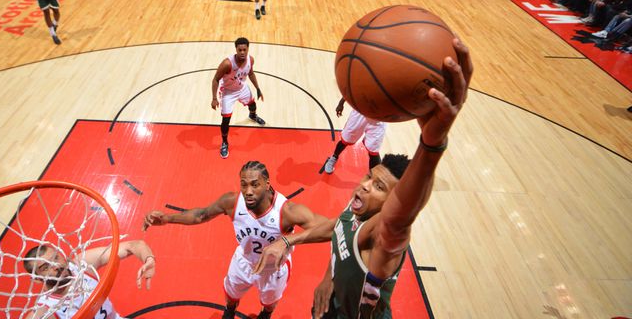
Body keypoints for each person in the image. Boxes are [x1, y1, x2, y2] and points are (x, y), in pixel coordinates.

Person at [254, 38, 473, 319]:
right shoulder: (356, 209)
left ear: (392, 201)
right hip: (334, 306)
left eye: (379, 187)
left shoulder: (383, 234)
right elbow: (339, 229)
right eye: (369, 177)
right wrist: (310, 262)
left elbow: (401, 214)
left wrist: (432, 143)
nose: (365, 185)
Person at [142, 160, 327, 319]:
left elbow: (329, 229)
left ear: (268, 184)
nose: (248, 191)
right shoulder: (232, 202)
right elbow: (201, 215)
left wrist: (288, 241)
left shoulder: (287, 211)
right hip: (244, 261)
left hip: (273, 269)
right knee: (231, 294)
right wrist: (167, 218)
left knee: (269, 303)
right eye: (244, 184)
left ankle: (265, 314)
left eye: (255, 184)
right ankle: (230, 311)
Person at [22, 240, 156, 318]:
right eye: (46, 267)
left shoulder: (81, 265)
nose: (56, 266)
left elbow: (133, 245)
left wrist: (148, 259)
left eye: (56, 258)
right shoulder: (47, 308)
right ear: (37, 279)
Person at [211, 37, 266, 159]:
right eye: (239, 50)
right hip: (228, 92)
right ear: (236, 49)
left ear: (248, 49)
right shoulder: (227, 63)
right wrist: (214, 98)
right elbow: (215, 79)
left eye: (244, 50)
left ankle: (252, 116)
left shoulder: (250, 60)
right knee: (226, 120)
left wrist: (257, 88)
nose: (242, 52)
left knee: (252, 104)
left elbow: (251, 73)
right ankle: (224, 142)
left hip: (241, 87)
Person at [323, 97, 387, 174]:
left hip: (379, 119)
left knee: (374, 151)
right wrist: (341, 102)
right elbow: (353, 88)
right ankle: (334, 157)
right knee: (345, 140)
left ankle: (374, 176)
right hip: (360, 114)